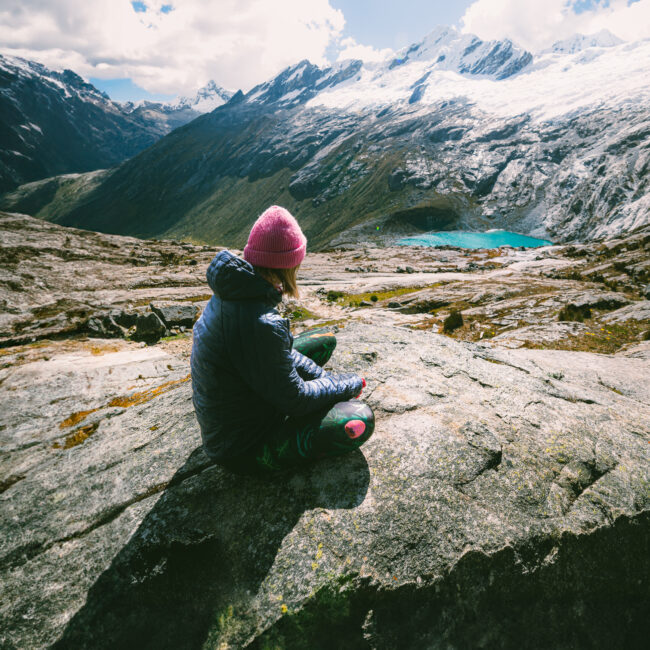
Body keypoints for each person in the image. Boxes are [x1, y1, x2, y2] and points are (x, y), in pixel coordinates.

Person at [190, 205, 375, 474]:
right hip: (244, 448)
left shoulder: (233, 291)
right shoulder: (261, 324)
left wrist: (324, 380)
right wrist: (347, 384)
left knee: (324, 341)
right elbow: (296, 401)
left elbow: (281, 353)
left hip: (233, 419)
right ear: (289, 264)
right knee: (360, 419)